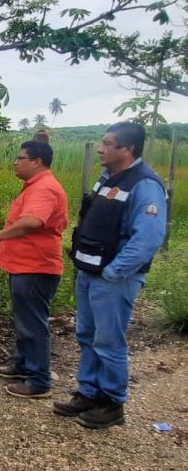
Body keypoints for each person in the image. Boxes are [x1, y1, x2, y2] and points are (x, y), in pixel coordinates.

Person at [54, 122, 167, 429]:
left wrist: (113, 272)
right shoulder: (107, 179)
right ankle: (88, 393)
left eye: (107, 143)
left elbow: (147, 238)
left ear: (127, 149)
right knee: (87, 336)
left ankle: (112, 402)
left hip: (113, 279)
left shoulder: (144, 185)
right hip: (89, 272)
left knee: (109, 341)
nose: (100, 149)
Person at [0, 141, 68, 399]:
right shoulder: (34, 187)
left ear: (36, 161)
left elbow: (31, 222)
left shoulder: (45, 188)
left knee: (33, 323)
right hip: (23, 265)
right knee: (24, 319)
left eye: (20, 157)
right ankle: (24, 364)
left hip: (36, 266)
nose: (15, 162)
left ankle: (39, 380)